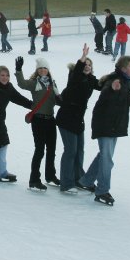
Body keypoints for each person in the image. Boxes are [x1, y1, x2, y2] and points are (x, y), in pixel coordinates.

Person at [78, 56, 130, 206]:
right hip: (105, 125)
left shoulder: (125, 83)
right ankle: (102, 191)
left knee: (104, 156)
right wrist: (112, 89)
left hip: (114, 126)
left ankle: (86, 181)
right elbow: (106, 93)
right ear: (124, 68)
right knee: (107, 159)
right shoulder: (113, 81)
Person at [55, 44, 101, 194]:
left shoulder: (90, 80)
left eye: (89, 64)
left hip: (78, 120)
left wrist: (118, 77)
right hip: (66, 119)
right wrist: (82, 57)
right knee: (70, 151)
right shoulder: (75, 77)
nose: (87, 66)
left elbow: (103, 84)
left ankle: (79, 179)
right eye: (85, 64)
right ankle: (66, 184)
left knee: (79, 151)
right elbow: (76, 72)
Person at [15, 56, 61, 191]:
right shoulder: (34, 83)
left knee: (51, 150)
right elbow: (22, 84)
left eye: (44, 68)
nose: (42, 70)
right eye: (40, 68)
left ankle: (50, 176)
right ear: (37, 70)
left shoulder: (53, 83)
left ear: (48, 70)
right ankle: (34, 180)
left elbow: (58, 99)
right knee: (40, 150)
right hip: (38, 120)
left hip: (51, 120)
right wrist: (18, 70)